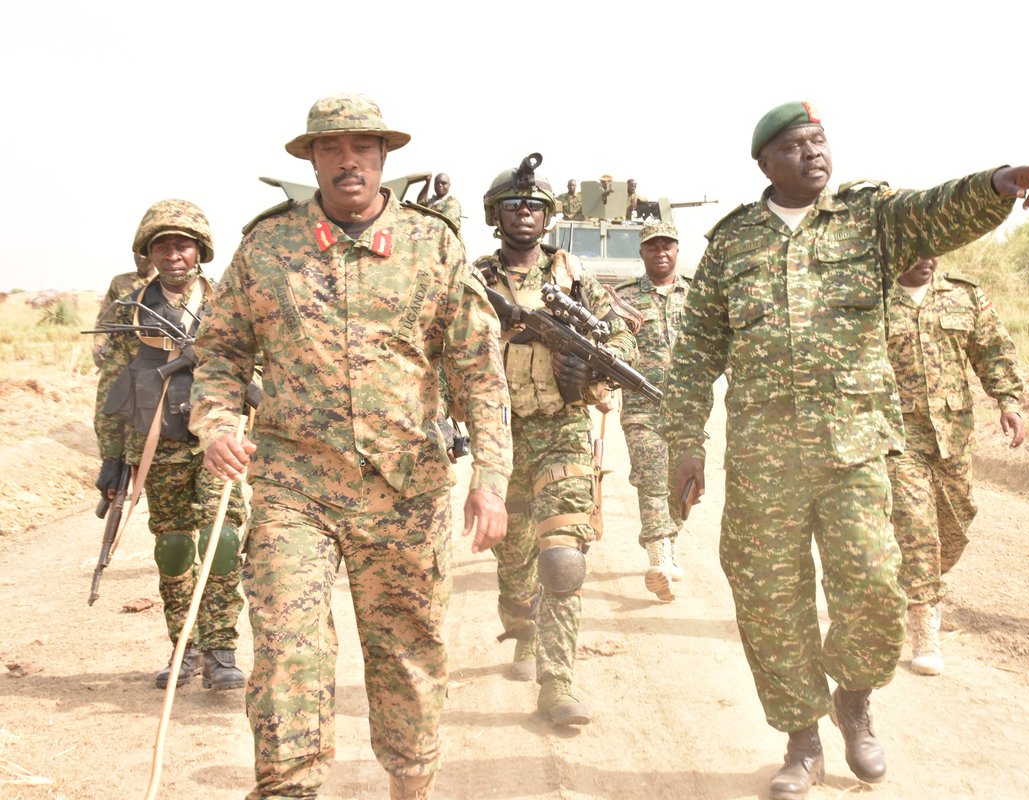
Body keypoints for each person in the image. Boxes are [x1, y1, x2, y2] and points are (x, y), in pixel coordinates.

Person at [663, 100, 1029, 799]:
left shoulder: (870, 219)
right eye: (794, 145)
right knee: (769, 601)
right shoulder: (732, 244)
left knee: (876, 590)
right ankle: (802, 740)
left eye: (819, 139)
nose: (813, 152)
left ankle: (854, 699)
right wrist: (685, 443)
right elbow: (694, 352)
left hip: (855, 453)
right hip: (764, 465)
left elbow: (939, 211)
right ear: (765, 163)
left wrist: (998, 183)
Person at [190, 93, 512, 800]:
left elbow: (478, 371)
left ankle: (411, 784)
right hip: (294, 487)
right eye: (330, 148)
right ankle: (289, 788)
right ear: (312, 159)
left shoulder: (432, 245)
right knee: (288, 654)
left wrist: (490, 478)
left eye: (362, 147)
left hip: (405, 489)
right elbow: (220, 352)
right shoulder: (267, 247)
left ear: (384, 157)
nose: (347, 161)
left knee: (408, 654)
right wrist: (215, 422)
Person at [474, 155, 637, 726]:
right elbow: (440, 342)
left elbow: (623, 340)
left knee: (562, 559)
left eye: (535, 206)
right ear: (495, 215)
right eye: (514, 205)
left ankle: (558, 682)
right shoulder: (474, 279)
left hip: (561, 430)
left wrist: (589, 369)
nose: (525, 213)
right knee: (514, 556)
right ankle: (522, 628)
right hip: (499, 433)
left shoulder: (575, 278)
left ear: (548, 218)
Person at [94, 199, 247, 692]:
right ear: (149, 252)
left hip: (218, 438)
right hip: (158, 442)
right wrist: (112, 456)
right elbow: (112, 387)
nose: (173, 255)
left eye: (183, 245)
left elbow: (260, 361)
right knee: (175, 547)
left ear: (200, 250)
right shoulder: (130, 310)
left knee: (222, 540)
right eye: (163, 246)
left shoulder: (229, 301)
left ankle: (221, 650)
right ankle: (186, 648)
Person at [886, 256, 1024, 676]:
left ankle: (909, 583)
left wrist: (1008, 401)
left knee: (955, 526)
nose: (927, 260)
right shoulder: (874, 298)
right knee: (915, 526)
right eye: (916, 250)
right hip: (897, 436)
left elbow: (993, 350)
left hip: (953, 436)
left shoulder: (964, 295)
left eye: (934, 250)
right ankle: (924, 624)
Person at [614, 221, 690, 601]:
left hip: (688, 411)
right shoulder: (624, 298)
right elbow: (613, 344)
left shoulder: (697, 295)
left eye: (667, 246)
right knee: (653, 478)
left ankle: (670, 544)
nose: (660, 252)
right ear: (641, 252)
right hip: (642, 408)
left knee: (682, 485)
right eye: (652, 247)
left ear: (676, 250)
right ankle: (658, 557)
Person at [92, 252, 157, 367]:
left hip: (155, 352)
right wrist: (99, 344)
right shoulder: (119, 282)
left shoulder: (165, 283)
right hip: (120, 352)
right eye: (137, 251)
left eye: (144, 252)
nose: (140, 256)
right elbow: (106, 320)